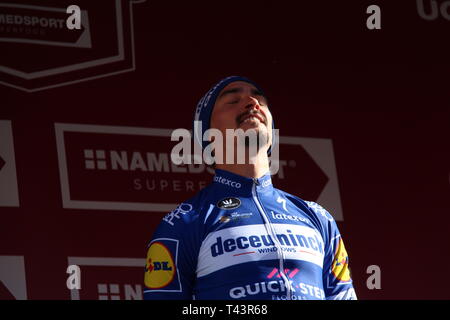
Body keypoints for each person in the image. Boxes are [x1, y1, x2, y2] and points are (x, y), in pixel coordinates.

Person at [143, 76, 357, 300]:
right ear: (207, 134)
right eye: (233, 99)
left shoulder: (318, 217)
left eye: (259, 99)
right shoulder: (183, 223)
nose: (252, 102)